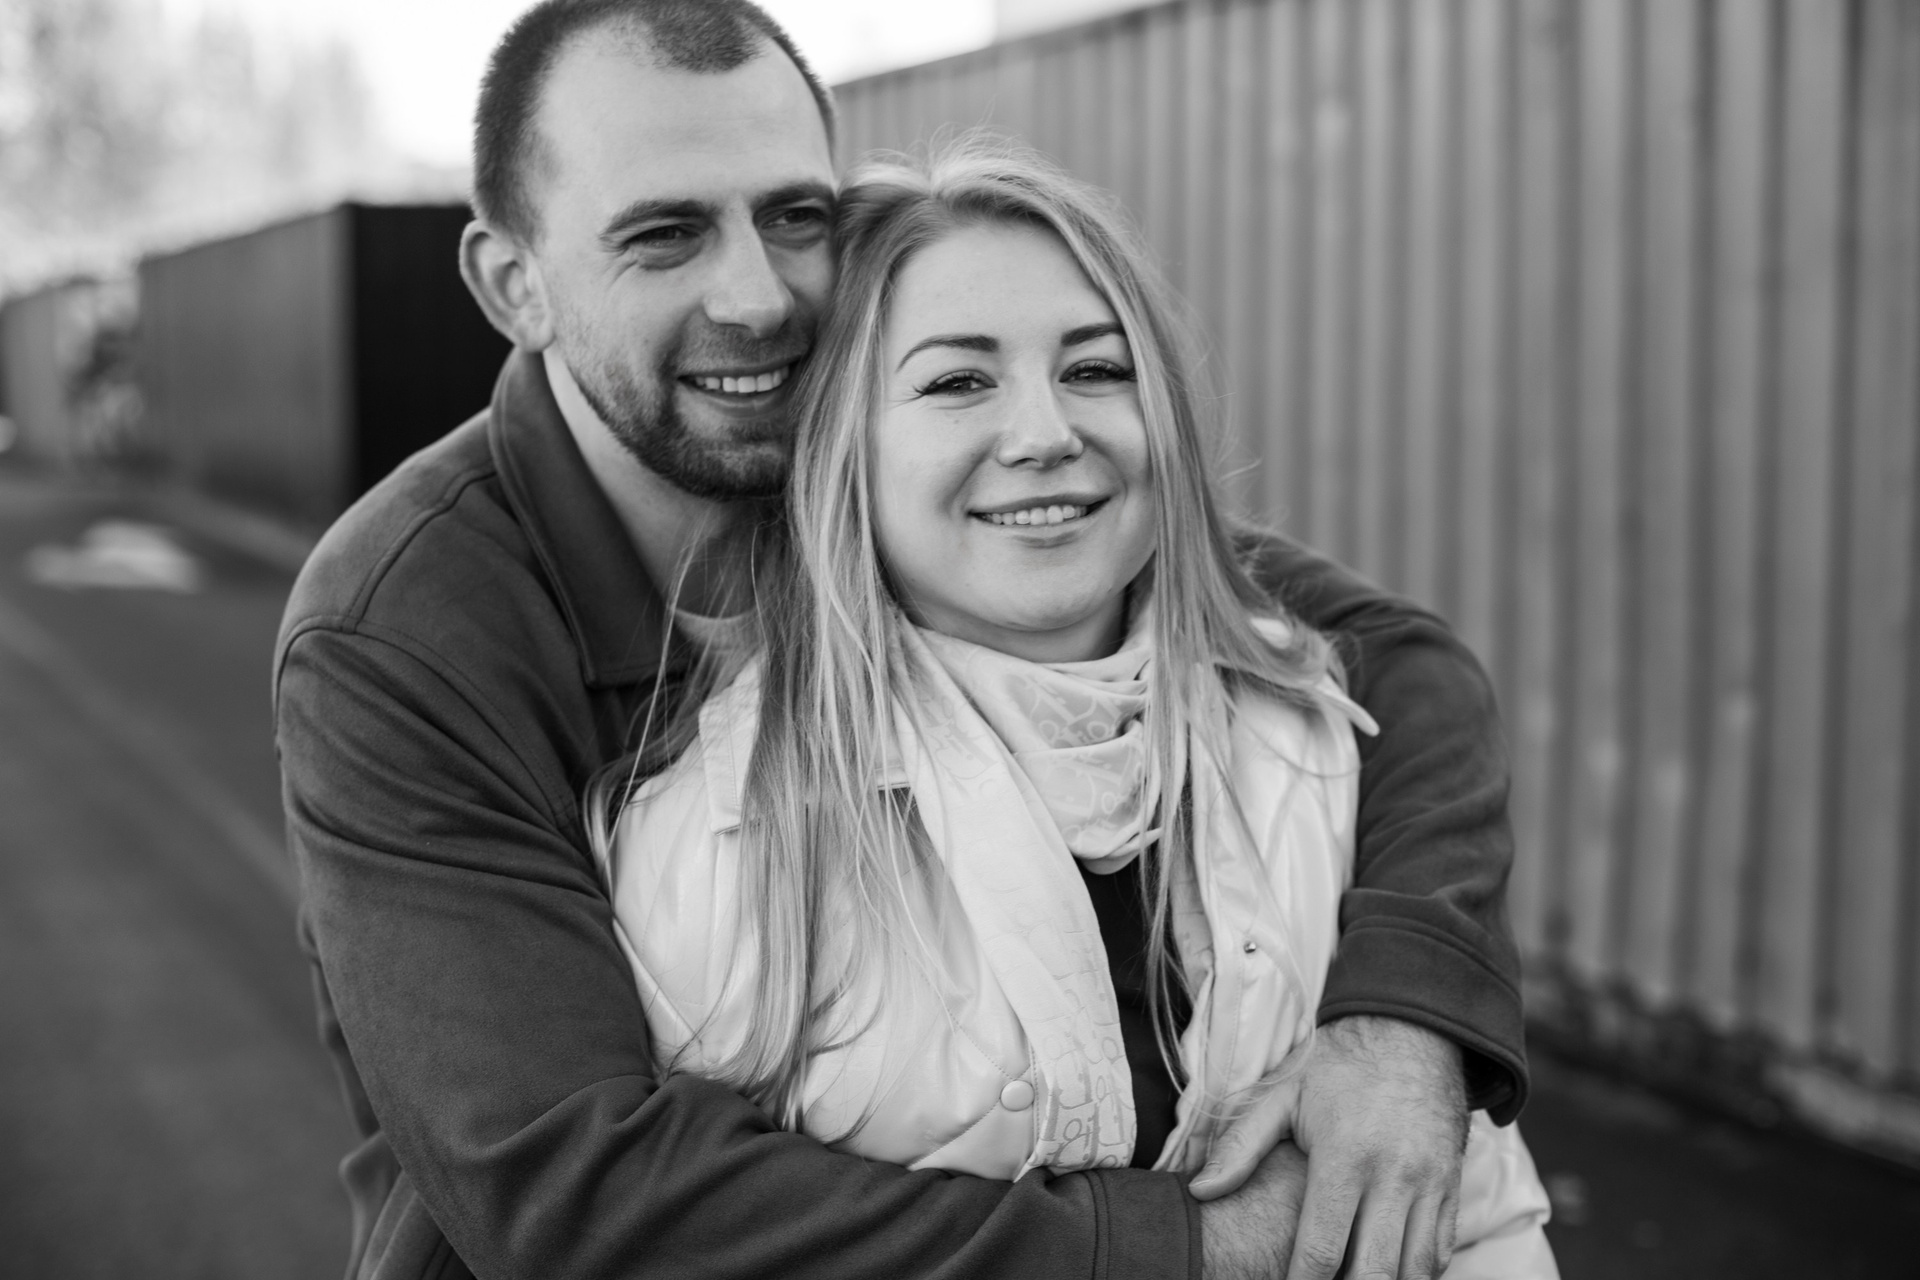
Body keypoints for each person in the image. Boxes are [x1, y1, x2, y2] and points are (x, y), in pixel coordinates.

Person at [273, 2, 1528, 1277]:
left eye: (794, 216)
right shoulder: (400, 632)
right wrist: (1215, 1243)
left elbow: (1383, 656)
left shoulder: (873, 468)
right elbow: (577, 1194)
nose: (758, 298)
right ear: (514, 284)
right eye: (664, 235)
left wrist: (1402, 1016)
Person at [595, 140, 1554, 1278]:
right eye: (958, 382)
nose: (1048, 432)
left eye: (1096, 369)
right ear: (841, 448)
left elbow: (1476, 1216)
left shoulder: (1328, 742)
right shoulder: (719, 843)